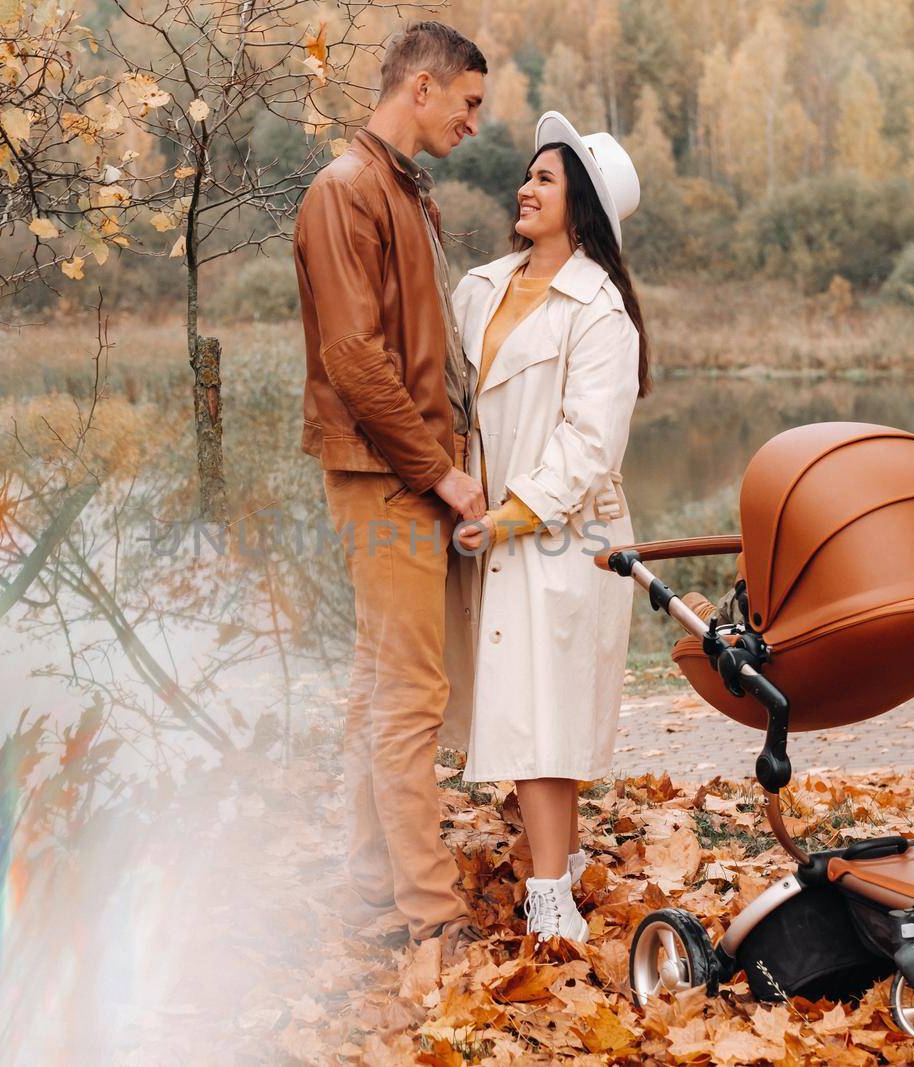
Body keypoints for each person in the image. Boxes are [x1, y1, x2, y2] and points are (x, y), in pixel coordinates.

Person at [292, 21, 490, 954]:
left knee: (379, 686)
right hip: (383, 478)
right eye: (468, 102)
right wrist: (441, 473)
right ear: (421, 86)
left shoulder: (403, 191)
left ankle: (371, 884)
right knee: (410, 693)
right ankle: (432, 914)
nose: (474, 122)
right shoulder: (346, 191)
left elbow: (421, 356)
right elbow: (355, 361)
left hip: (399, 473)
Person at [449, 112, 651, 944]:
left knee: (548, 713)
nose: (525, 189)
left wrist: (512, 513)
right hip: (484, 523)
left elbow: (590, 442)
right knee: (512, 707)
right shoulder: (480, 286)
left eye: (545, 180)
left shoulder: (600, 313)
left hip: (562, 532)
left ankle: (549, 893)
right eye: (527, 175)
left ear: (583, 207)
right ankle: (553, 863)